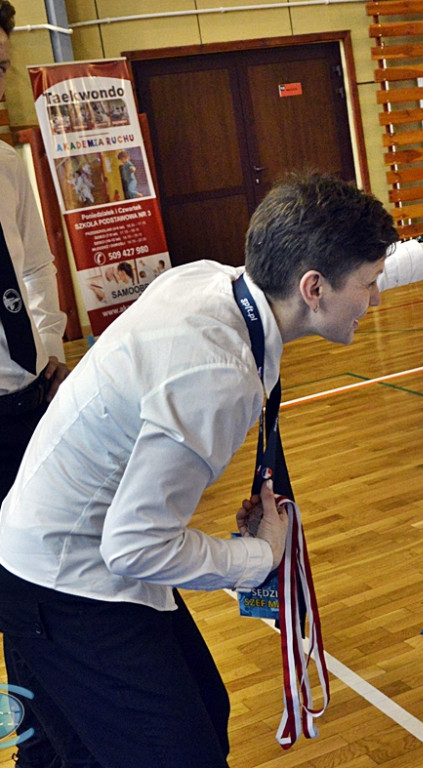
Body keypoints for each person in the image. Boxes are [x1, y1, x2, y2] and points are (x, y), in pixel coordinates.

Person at [0, 169, 423, 768]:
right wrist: (257, 557)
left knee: (202, 719)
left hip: (62, 557)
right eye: (370, 284)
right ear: (313, 288)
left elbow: (330, 269)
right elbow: (135, 546)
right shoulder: (217, 376)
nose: (374, 299)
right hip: (65, 585)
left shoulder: (212, 281)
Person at [0, 4, 71, 764]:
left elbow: (35, 264)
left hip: (23, 404)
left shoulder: (6, 163)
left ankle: (39, 746)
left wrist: (47, 347)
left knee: (31, 595)